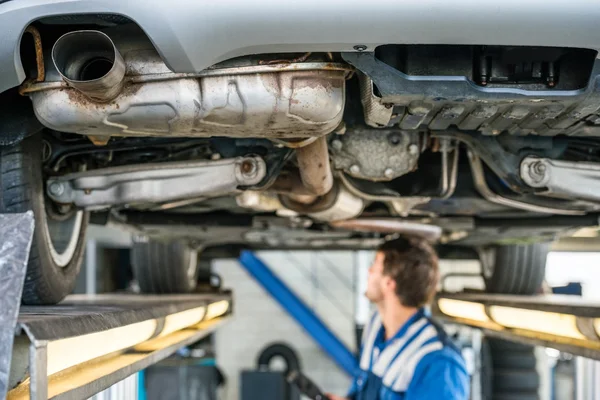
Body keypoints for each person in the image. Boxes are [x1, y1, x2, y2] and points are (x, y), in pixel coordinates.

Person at [328, 236, 469, 400]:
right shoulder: (375, 326)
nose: (369, 271)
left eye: (374, 265)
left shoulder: (437, 360)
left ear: (389, 283)